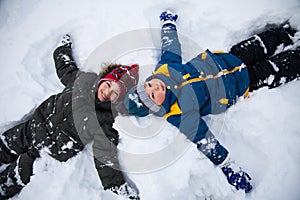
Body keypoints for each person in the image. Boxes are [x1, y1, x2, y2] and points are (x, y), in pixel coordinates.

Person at [123, 10, 300, 193]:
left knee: (265, 42)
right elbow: (204, 140)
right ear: (155, 107)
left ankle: (290, 31)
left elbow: (170, 48)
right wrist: (228, 166)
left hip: (229, 58)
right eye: (152, 96)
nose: (155, 88)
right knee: (280, 68)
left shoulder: (165, 70)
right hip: (241, 84)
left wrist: (168, 25)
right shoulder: (178, 112)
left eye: (149, 85)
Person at [0, 35, 140, 199]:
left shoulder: (106, 118)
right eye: (108, 84)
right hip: (34, 127)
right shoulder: (83, 80)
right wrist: (62, 50)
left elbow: (105, 153)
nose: (107, 92)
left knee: (18, 175)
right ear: (104, 78)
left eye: (115, 93)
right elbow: (65, 69)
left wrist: (116, 184)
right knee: (6, 144)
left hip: (47, 151)